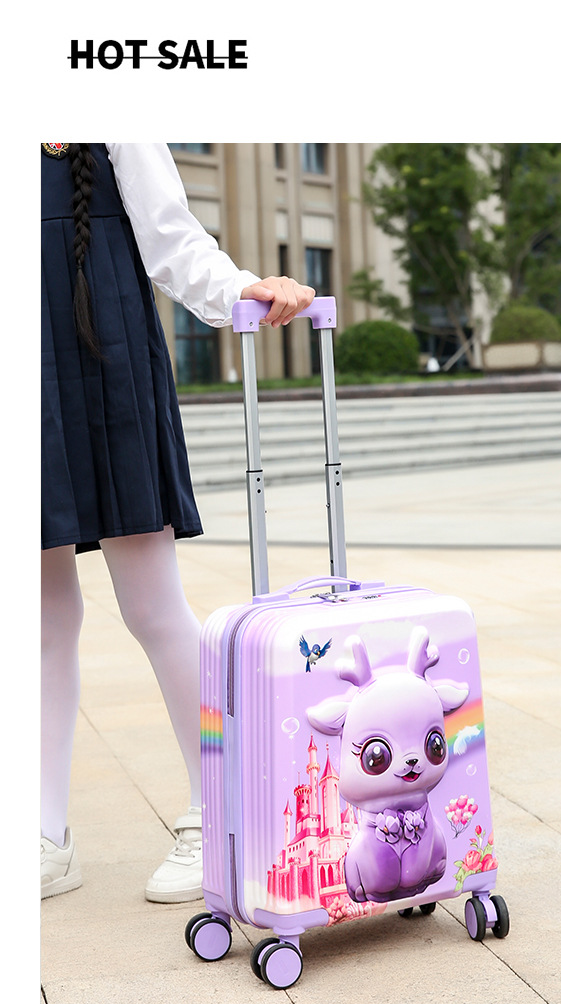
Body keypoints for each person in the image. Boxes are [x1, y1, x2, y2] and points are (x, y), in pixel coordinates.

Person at [41, 142, 314, 903]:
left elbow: (170, 235)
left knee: (152, 604)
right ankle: (43, 832)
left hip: (103, 353)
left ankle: (221, 808)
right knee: (37, 620)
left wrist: (241, 289)